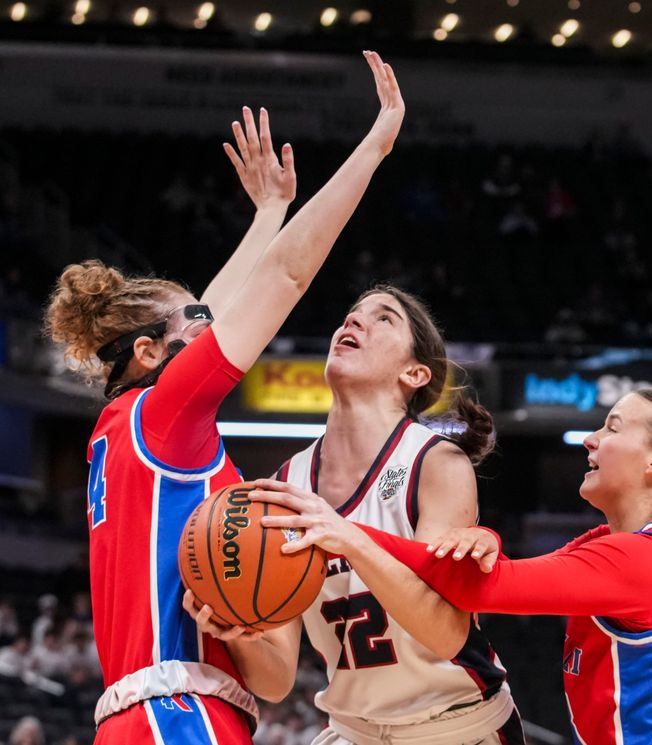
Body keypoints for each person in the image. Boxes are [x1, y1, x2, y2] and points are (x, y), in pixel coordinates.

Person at [43, 50, 404, 745]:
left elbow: (271, 682)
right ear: (149, 352)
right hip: (176, 716)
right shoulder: (162, 416)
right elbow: (288, 276)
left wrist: (269, 210)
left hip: (149, 715)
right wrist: (376, 144)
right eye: (194, 326)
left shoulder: (127, 432)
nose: (213, 328)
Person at [256, 388, 652, 744]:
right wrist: (483, 536)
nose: (591, 439)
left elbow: (483, 589)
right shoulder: (623, 546)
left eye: (613, 428)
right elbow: (501, 572)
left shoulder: (640, 560)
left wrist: (347, 530)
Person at [187, 286, 525, 744]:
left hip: (454, 726)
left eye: (384, 318)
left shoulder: (435, 463)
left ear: (415, 373)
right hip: (354, 731)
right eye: (351, 314)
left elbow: (446, 634)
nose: (354, 322)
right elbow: (276, 681)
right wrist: (237, 630)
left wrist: (349, 538)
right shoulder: (290, 481)